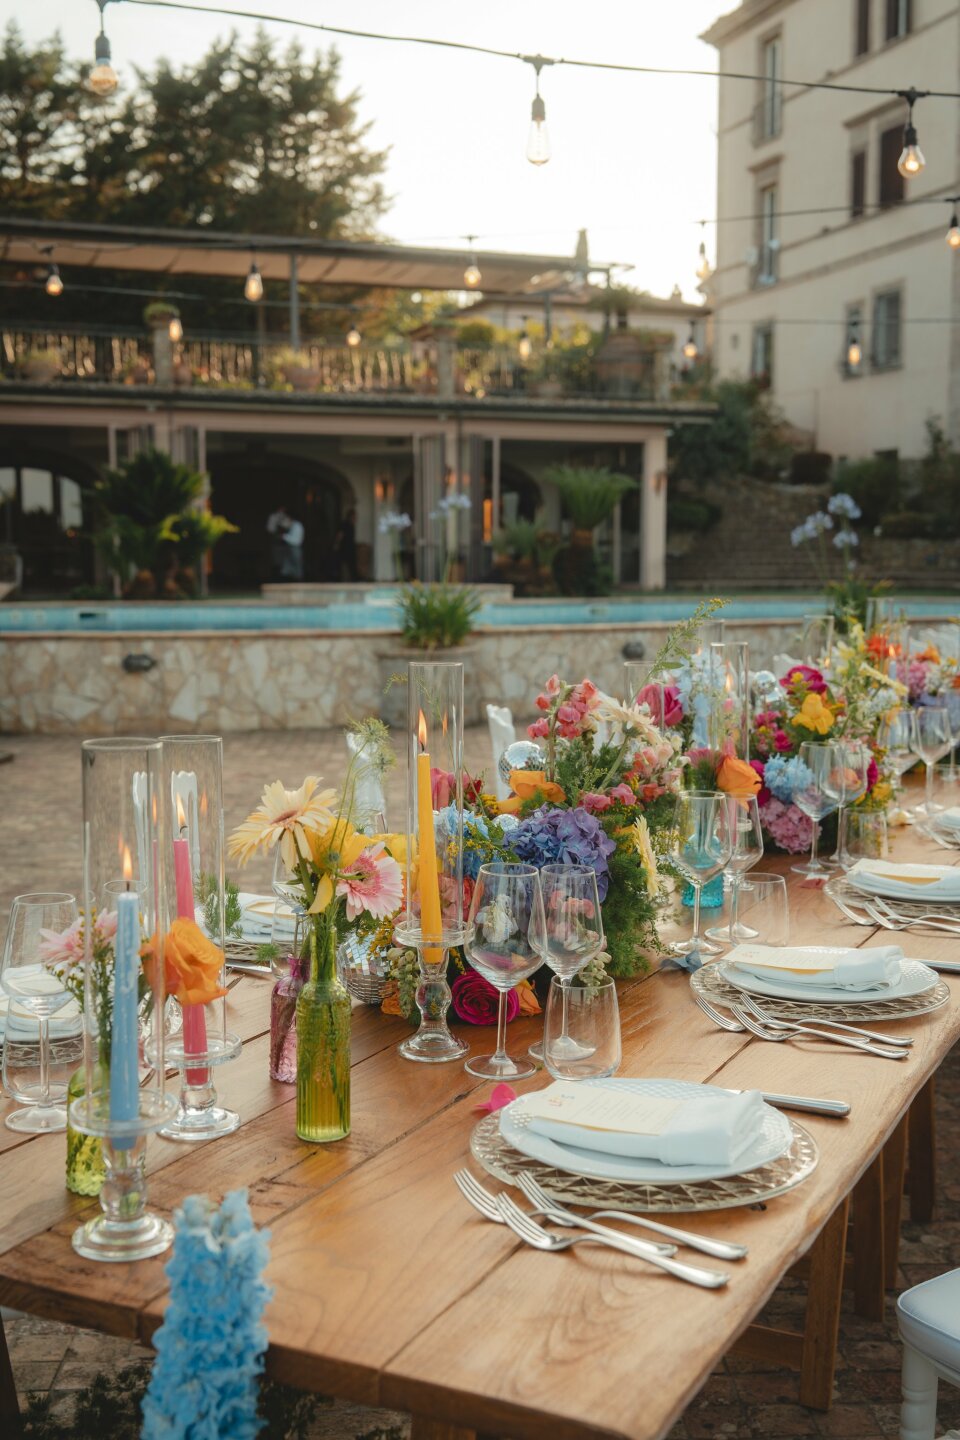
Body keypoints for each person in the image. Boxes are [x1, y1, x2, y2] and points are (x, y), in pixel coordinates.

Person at [266, 506, 290, 580]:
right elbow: (270, 529)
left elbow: (288, 527)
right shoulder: (273, 517)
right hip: (275, 542)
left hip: (284, 542)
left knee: (285, 561)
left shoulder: (286, 517)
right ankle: (276, 578)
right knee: (276, 561)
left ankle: (285, 578)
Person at [335, 507, 357, 581]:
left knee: (351, 566)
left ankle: (351, 580)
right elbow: (339, 535)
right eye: (354, 517)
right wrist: (337, 544)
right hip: (344, 548)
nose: (355, 519)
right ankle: (344, 580)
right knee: (344, 566)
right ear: (350, 517)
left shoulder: (352, 526)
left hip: (351, 549)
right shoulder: (344, 524)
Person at [281, 511, 305, 580]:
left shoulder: (297, 526)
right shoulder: (293, 526)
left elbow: (296, 540)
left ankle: (298, 581)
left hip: (295, 548)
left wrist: (284, 537)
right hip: (291, 548)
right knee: (289, 566)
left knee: (297, 566)